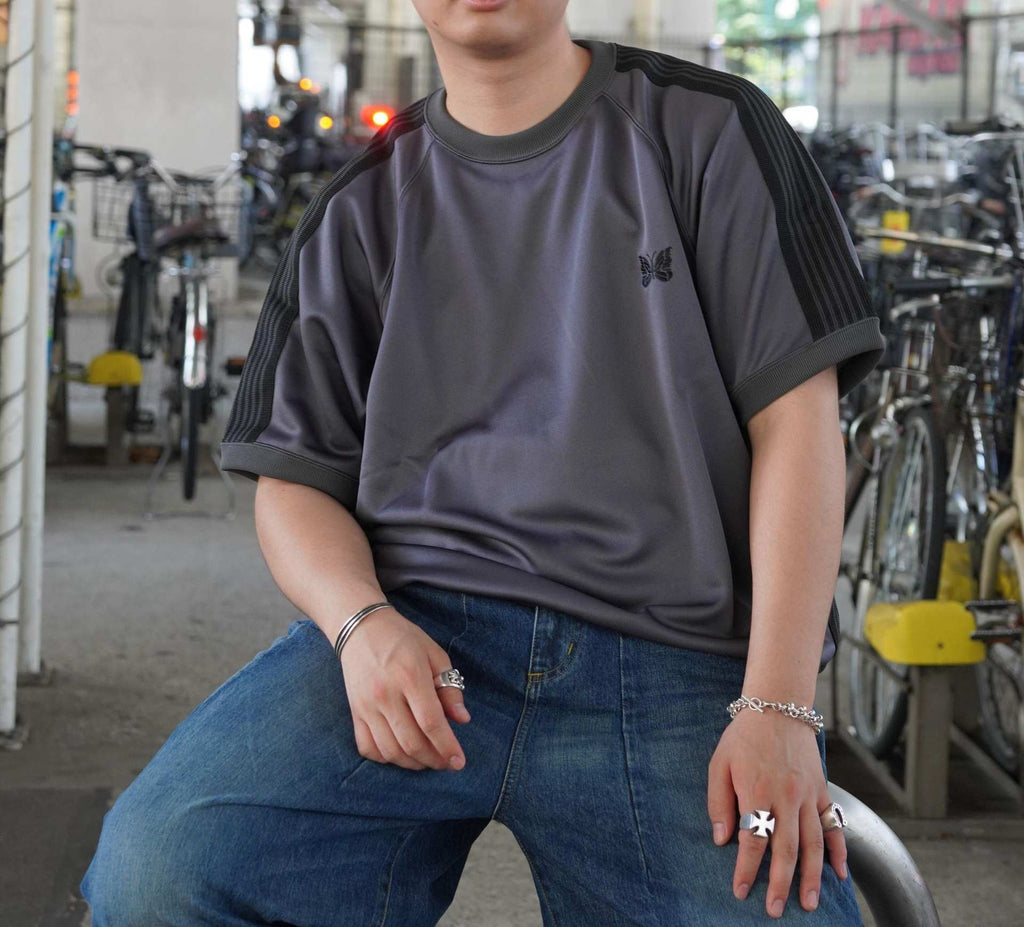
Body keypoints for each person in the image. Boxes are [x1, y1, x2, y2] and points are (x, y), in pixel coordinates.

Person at [80, 1, 884, 924]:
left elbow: (799, 424)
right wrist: (359, 624)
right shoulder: (356, 210)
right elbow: (291, 482)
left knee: (781, 898)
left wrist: (779, 704)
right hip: (419, 639)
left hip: (671, 658)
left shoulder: (709, 131)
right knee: (157, 869)